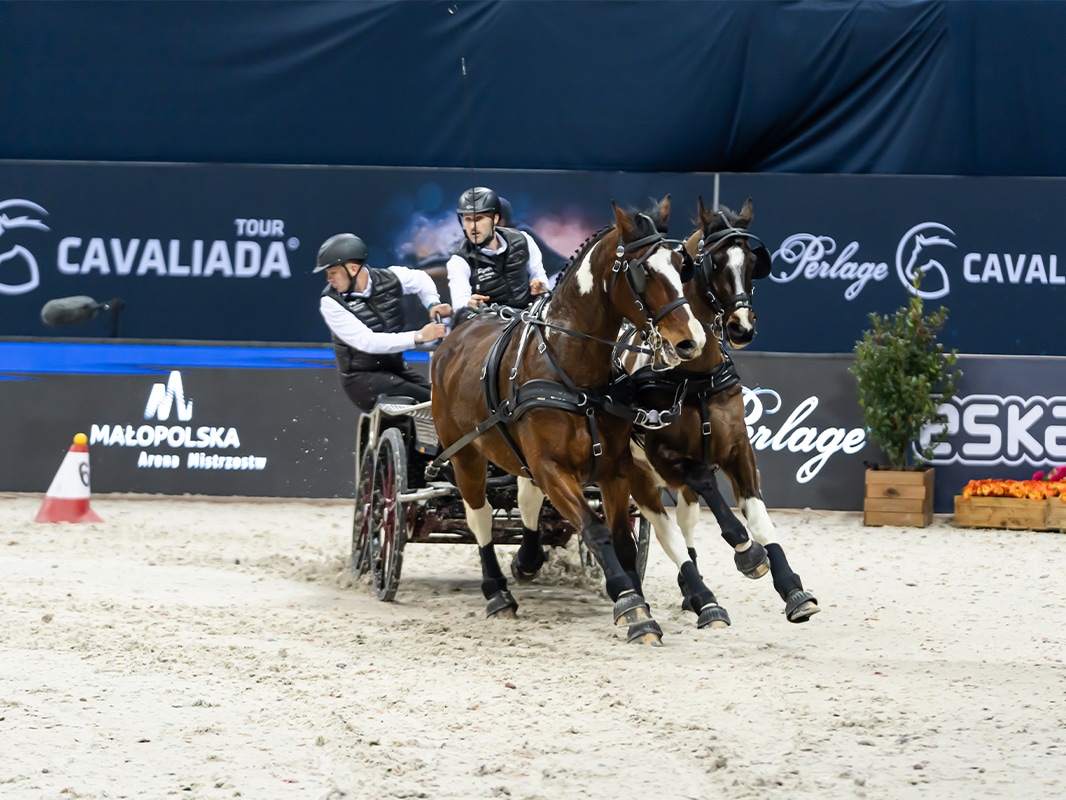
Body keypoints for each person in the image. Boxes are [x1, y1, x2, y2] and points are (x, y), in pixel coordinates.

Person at [316, 233, 451, 412]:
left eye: (333, 272)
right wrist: (419, 336)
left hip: (396, 369)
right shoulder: (331, 303)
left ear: (353, 269)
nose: (329, 279)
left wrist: (432, 303)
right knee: (434, 403)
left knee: (445, 400)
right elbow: (367, 342)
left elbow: (421, 279)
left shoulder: (391, 277)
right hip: (362, 379)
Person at [446, 187, 549, 324]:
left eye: (478, 219)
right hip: (490, 324)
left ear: (495, 218)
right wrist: (469, 304)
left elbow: (540, 276)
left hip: (529, 317)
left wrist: (540, 286)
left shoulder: (523, 239)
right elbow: (459, 303)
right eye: (468, 220)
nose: (472, 227)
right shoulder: (459, 260)